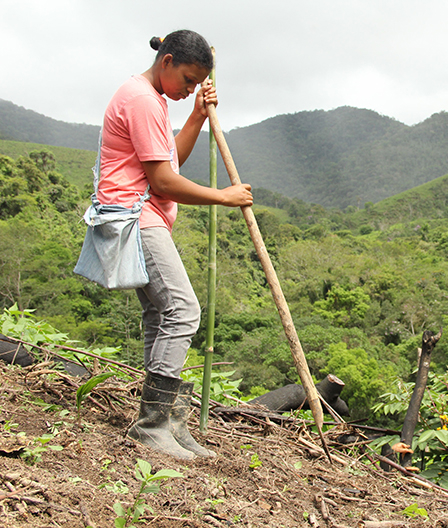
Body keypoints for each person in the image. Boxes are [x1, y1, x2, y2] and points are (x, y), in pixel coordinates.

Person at [97, 30, 253, 459]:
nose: (188, 89)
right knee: (183, 309)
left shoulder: (152, 98)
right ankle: (152, 424)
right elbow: (163, 181)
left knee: (160, 313)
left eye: (195, 83)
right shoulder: (143, 100)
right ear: (165, 61)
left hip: (140, 217)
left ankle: (169, 421)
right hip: (136, 218)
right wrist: (224, 196)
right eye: (187, 80)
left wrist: (198, 117)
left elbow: (169, 160)